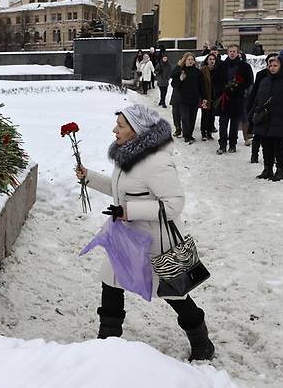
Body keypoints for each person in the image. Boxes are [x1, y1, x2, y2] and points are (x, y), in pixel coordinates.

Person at [75, 104, 215, 361]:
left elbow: (174, 204)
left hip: (155, 243)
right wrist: (89, 178)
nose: (114, 130)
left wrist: (129, 211)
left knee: (175, 294)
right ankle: (107, 344)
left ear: (137, 130)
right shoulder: (126, 155)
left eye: (120, 125)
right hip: (126, 238)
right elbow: (121, 191)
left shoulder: (156, 162)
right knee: (111, 282)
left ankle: (202, 341)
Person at [250, 56, 283, 181]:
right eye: (270, 65)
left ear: (282, 66)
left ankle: (280, 170)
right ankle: (267, 169)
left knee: (279, 146)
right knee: (266, 145)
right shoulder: (265, 81)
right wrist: (253, 113)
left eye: (275, 65)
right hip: (264, 119)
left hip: (281, 120)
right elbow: (258, 100)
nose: (272, 68)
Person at [215, 44, 253, 154]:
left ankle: (232, 145)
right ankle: (222, 145)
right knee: (223, 122)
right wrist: (223, 89)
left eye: (234, 51)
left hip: (237, 98)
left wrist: (238, 87)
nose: (232, 53)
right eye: (230, 51)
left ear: (238, 53)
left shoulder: (244, 66)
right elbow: (216, 81)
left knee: (234, 123)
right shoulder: (221, 65)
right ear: (227, 52)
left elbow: (249, 81)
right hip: (224, 98)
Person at [247, 53, 278, 164]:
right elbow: (255, 91)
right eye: (270, 62)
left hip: (274, 109)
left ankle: (272, 156)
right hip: (260, 108)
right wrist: (251, 107)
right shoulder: (261, 74)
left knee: (272, 135)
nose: (272, 66)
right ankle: (254, 155)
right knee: (258, 134)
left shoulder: (281, 75)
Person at [171, 52, 204, 143]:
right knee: (185, 118)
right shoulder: (180, 71)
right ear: (184, 61)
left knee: (192, 118)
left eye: (192, 60)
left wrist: (203, 97)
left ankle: (190, 134)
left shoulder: (198, 72)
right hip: (183, 99)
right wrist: (180, 79)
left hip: (194, 99)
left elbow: (201, 86)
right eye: (188, 59)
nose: (190, 61)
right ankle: (186, 135)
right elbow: (174, 84)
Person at [200, 53, 226, 140]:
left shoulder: (218, 70)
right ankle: (203, 132)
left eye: (213, 59)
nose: (212, 61)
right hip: (205, 95)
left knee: (212, 115)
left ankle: (209, 132)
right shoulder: (203, 70)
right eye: (210, 59)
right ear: (207, 60)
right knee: (205, 115)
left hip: (215, 96)